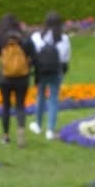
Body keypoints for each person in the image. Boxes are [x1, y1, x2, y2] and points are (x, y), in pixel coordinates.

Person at [0, 13, 35, 146]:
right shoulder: (23, 37)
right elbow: (33, 54)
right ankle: (20, 129)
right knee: (20, 104)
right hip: (22, 77)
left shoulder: (1, 38)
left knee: (6, 105)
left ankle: (6, 135)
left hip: (5, 77)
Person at [29, 11, 72, 141]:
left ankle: (37, 124)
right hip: (56, 71)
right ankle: (50, 129)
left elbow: (32, 54)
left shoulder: (37, 37)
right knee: (53, 99)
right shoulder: (64, 39)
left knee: (40, 96)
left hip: (41, 71)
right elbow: (65, 58)